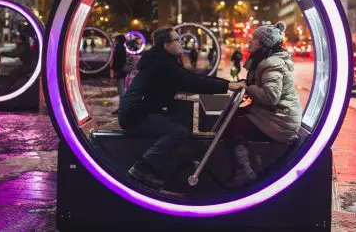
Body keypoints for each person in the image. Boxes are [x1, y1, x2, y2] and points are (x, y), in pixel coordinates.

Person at [118, 27, 244, 188]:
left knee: (180, 121)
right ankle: (141, 168)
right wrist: (228, 85)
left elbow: (187, 78)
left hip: (140, 111)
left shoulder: (162, 59)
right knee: (178, 131)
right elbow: (190, 81)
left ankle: (167, 169)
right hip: (134, 116)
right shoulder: (162, 63)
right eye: (177, 40)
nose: (181, 42)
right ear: (167, 45)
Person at [224, 22, 303, 188]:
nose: (249, 42)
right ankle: (242, 168)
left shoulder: (271, 63)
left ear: (264, 43)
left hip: (280, 120)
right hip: (276, 116)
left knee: (232, 126)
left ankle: (244, 172)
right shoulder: (265, 61)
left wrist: (248, 87)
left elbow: (270, 97)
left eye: (254, 39)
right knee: (234, 117)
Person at [111, 35, 127, 115]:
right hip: (121, 72)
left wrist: (115, 71)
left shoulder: (119, 48)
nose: (114, 40)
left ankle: (122, 108)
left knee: (121, 91)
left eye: (115, 39)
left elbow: (118, 61)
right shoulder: (122, 48)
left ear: (117, 40)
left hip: (119, 72)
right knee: (121, 90)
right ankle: (122, 108)